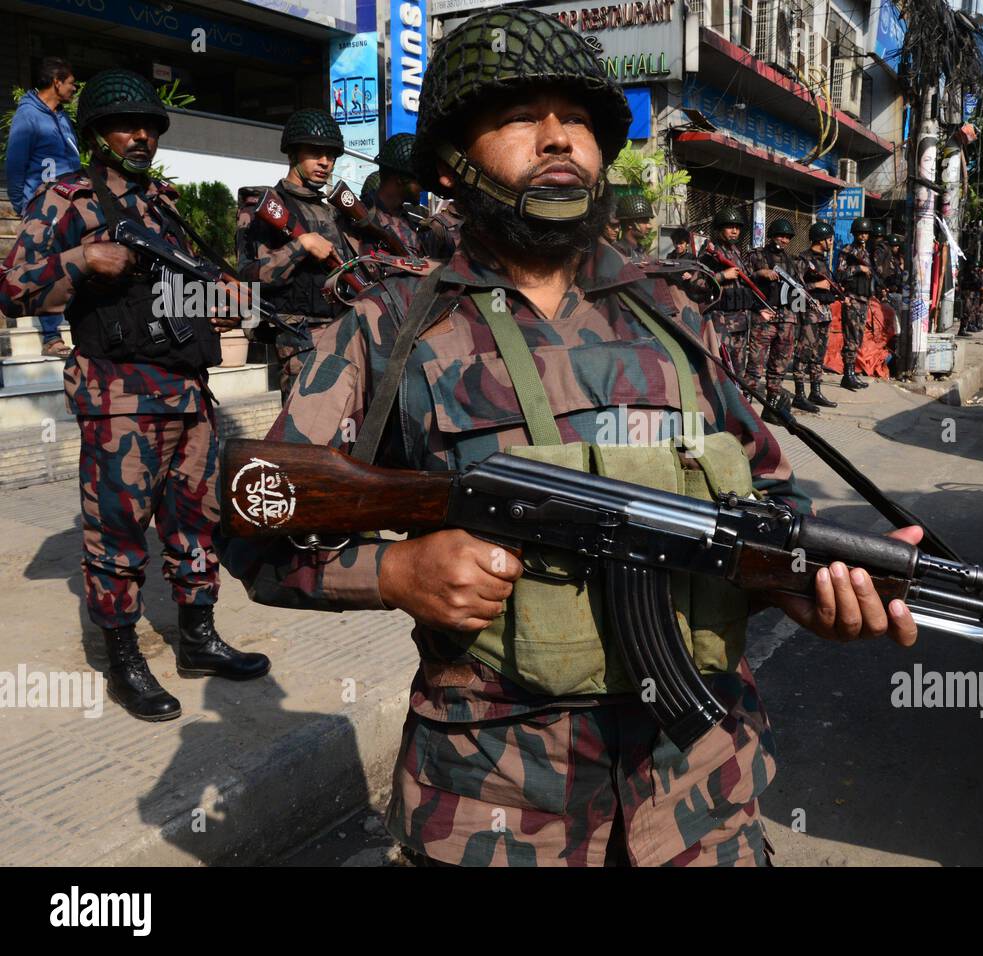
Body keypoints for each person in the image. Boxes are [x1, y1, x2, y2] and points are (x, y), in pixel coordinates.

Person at [217, 6, 917, 868]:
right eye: (519, 116)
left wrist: (804, 586)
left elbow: (766, 499)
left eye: (578, 120)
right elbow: (254, 525)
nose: (558, 139)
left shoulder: (674, 315)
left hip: (702, 803)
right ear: (450, 160)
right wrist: (395, 571)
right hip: (495, 813)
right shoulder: (388, 328)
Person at [0, 69, 270, 721]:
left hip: (187, 394)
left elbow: (176, 297)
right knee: (117, 534)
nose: (142, 133)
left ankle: (198, 637)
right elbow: (13, 290)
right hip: (120, 398)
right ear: (95, 133)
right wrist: (80, 262)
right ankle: (121, 657)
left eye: (150, 124)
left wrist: (222, 301)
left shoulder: (166, 202)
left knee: (195, 522)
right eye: (127, 123)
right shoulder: (65, 198)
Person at [236, 108, 359, 399]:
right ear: (293, 153)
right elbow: (250, 274)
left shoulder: (332, 211)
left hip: (343, 335)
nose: (325, 162)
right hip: (300, 342)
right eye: (315, 152)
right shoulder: (266, 205)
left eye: (331, 155)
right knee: (307, 438)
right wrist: (301, 246)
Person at [5, 56, 81, 358]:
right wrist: (22, 204)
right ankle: (51, 338)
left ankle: (76, 328)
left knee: (73, 264)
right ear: (56, 82)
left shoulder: (61, 116)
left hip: (71, 202)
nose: (74, 88)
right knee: (47, 266)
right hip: (42, 206)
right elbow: (15, 164)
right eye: (71, 82)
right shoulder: (28, 116)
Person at [744, 217, 801, 419]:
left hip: (786, 316)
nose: (784, 240)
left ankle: (772, 404)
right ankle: (746, 406)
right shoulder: (757, 255)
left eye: (787, 237)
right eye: (781, 236)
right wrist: (760, 273)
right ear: (772, 236)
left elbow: (798, 287)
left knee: (779, 364)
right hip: (764, 315)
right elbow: (744, 279)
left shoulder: (790, 260)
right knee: (755, 364)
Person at [697, 207, 762, 380]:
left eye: (737, 227)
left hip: (740, 322)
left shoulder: (737, 254)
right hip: (721, 322)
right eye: (729, 226)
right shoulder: (710, 254)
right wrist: (721, 276)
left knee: (738, 372)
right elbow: (697, 283)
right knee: (721, 371)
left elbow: (745, 286)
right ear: (719, 229)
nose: (734, 230)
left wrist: (758, 308)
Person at [791, 220, 837, 409]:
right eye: (829, 239)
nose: (832, 242)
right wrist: (816, 286)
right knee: (803, 352)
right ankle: (799, 394)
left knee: (818, 354)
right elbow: (795, 287)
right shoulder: (803, 260)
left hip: (824, 313)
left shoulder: (822, 261)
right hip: (809, 313)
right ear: (821, 240)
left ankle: (815, 391)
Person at [833, 217, 873, 389]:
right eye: (860, 233)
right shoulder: (847, 251)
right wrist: (859, 268)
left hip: (863, 299)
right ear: (854, 234)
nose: (863, 236)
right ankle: (848, 375)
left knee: (857, 338)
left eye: (865, 233)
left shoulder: (867, 254)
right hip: (852, 298)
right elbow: (839, 274)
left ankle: (851, 373)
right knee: (851, 337)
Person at [613, 192, 653, 261]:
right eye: (644, 221)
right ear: (629, 224)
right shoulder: (618, 252)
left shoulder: (640, 249)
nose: (649, 226)